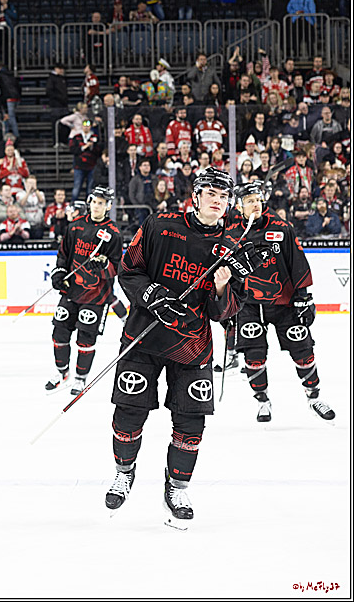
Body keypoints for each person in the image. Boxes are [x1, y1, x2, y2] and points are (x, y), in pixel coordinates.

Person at [105, 169, 247, 527]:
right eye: (211, 192)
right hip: (143, 337)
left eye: (224, 195)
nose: (218, 199)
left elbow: (226, 312)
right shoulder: (159, 224)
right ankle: (124, 473)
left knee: (190, 421)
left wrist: (221, 288)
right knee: (129, 411)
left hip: (193, 346)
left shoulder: (231, 247)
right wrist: (152, 296)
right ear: (195, 196)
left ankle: (177, 486)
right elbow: (129, 270)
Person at [229, 182, 335, 423]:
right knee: (254, 354)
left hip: (284, 303)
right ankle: (262, 400)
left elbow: (297, 262)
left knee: (302, 348)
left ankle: (313, 396)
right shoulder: (230, 232)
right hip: (248, 306)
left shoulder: (281, 227)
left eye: (258, 199)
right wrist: (227, 305)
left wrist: (304, 297)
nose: (256, 204)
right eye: (249, 201)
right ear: (239, 206)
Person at [45, 187, 122, 395]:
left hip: (96, 296)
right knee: (59, 331)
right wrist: (59, 273)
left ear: (109, 206)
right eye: (94, 201)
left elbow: (116, 267)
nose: (97, 206)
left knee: (86, 338)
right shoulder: (75, 227)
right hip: (71, 291)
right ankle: (62, 373)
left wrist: (104, 265)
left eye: (101, 203)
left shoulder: (114, 233)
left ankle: (80, 378)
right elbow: (63, 255)